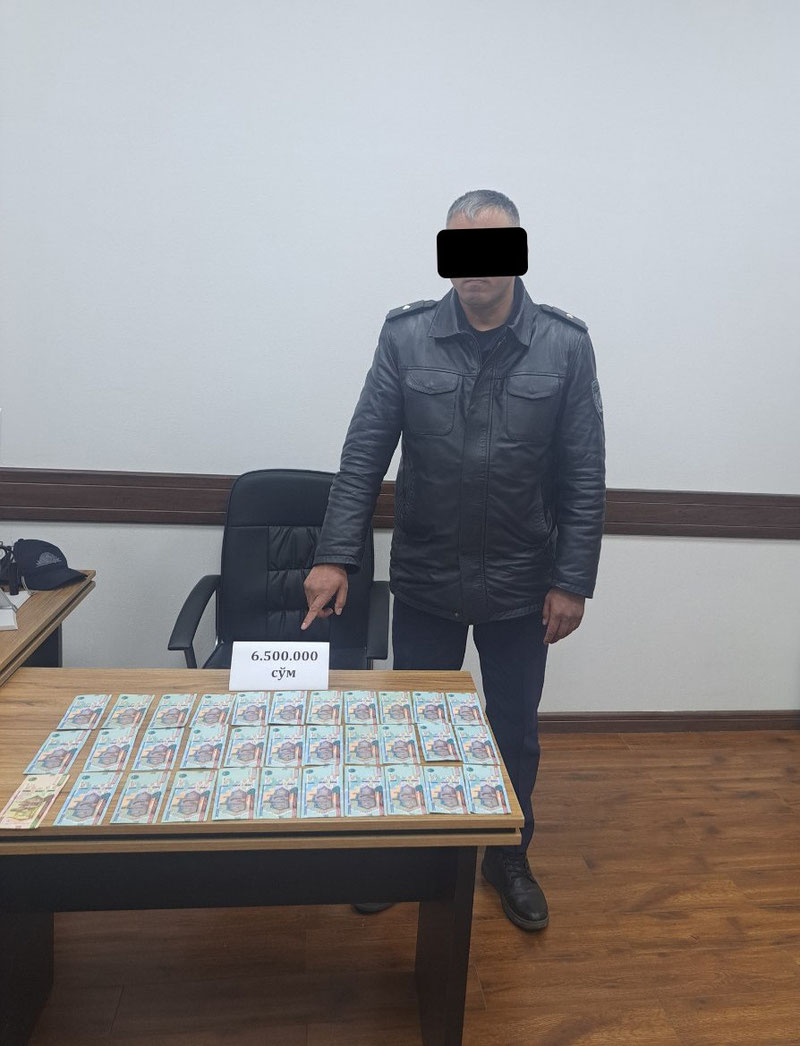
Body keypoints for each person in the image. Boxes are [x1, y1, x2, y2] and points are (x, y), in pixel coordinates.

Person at [302, 189, 605, 931]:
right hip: (427, 576)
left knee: (513, 729)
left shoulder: (564, 346)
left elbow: (584, 473)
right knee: (414, 723)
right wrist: (336, 556)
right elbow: (364, 453)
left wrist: (572, 580)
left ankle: (507, 853)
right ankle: (412, 850)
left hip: (521, 582)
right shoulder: (406, 338)